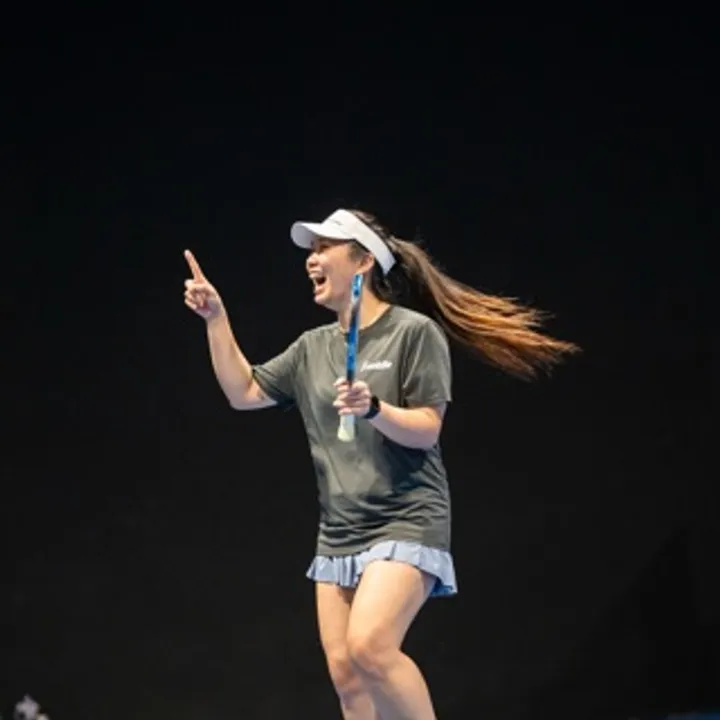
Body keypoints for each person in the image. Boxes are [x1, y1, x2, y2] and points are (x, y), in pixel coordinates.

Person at [183, 208, 579, 720]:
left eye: (324, 248)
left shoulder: (413, 334)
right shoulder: (311, 349)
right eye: (311, 250)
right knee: (348, 676)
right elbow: (244, 392)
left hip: (407, 518)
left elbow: (427, 429)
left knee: (370, 646)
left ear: (364, 260)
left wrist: (373, 408)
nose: (311, 260)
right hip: (340, 531)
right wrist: (216, 319)